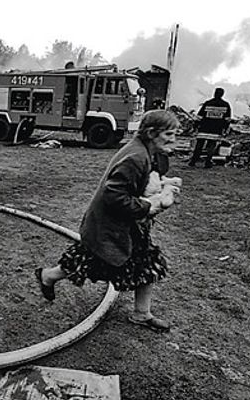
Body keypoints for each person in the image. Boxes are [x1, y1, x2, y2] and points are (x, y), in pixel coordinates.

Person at [35, 110, 180, 333]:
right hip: (108, 226)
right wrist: (148, 206)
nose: (173, 139)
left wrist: (164, 185)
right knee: (88, 262)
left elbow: (146, 180)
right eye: (168, 133)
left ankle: (142, 313)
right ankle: (47, 276)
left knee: (147, 263)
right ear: (151, 133)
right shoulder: (135, 158)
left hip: (127, 225)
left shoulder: (147, 152)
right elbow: (114, 196)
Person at [188, 87, 232, 168]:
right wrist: (225, 129)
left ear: (214, 93)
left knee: (199, 145)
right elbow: (227, 120)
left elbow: (199, 117)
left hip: (204, 127)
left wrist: (195, 126)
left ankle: (193, 161)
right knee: (211, 145)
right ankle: (208, 162)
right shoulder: (226, 105)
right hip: (216, 129)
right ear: (222, 94)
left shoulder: (208, 103)